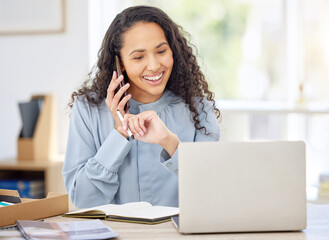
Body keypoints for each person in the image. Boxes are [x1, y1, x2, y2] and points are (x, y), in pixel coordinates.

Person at [63, 5, 220, 208]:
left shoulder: (199, 110)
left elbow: (212, 191)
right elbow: (83, 200)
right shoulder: (87, 111)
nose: (154, 66)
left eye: (161, 51)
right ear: (120, 63)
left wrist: (170, 142)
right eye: (138, 57)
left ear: (174, 51)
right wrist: (119, 135)